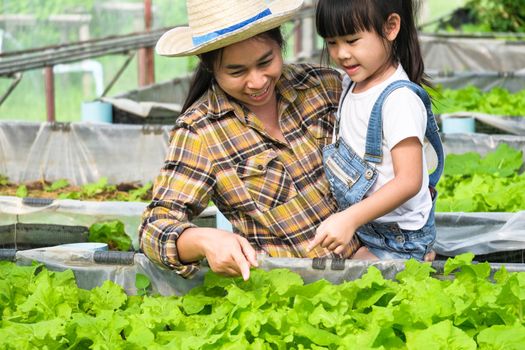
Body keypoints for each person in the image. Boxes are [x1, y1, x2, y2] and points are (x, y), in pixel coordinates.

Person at [139, 0, 362, 281]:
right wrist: (204, 240)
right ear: (210, 67)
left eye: (265, 62)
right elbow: (154, 228)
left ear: (280, 44)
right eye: (236, 71)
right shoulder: (202, 131)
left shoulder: (323, 87)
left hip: (370, 268)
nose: (257, 82)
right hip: (286, 293)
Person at [308, 0, 444, 261]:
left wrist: (349, 218)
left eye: (352, 40)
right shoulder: (351, 84)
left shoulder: (398, 100)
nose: (341, 53)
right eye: (332, 42)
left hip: (399, 239)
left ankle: (419, 258)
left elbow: (409, 181)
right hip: (371, 230)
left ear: (391, 28)